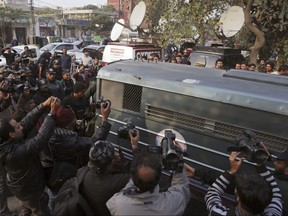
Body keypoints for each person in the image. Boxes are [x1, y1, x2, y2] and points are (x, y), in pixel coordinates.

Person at [0, 96, 61, 216]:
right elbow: (40, 140)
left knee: (27, 205)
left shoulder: (6, 140)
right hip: (30, 189)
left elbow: (27, 121)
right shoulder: (14, 153)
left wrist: (43, 105)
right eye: (17, 127)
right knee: (40, 210)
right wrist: (51, 114)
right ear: (11, 134)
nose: (21, 126)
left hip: (22, 188)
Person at [106, 130, 191, 215]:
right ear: (159, 178)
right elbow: (181, 186)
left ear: (132, 177)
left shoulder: (118, 204)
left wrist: (135, 148)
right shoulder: (171, 206)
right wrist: (177, 158)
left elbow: (129, 186)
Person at [205, 151, 283, 216]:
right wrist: (260, 164)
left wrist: (232, 170)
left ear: (238, 197)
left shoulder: (218, 213)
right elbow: (276, 195)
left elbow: (212, 193)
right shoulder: (275, 213)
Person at [78, 140, 131, 215]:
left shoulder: (81, 171)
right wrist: (123, 162)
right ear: (113, 160)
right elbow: (137, 176)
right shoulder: (114, 182)